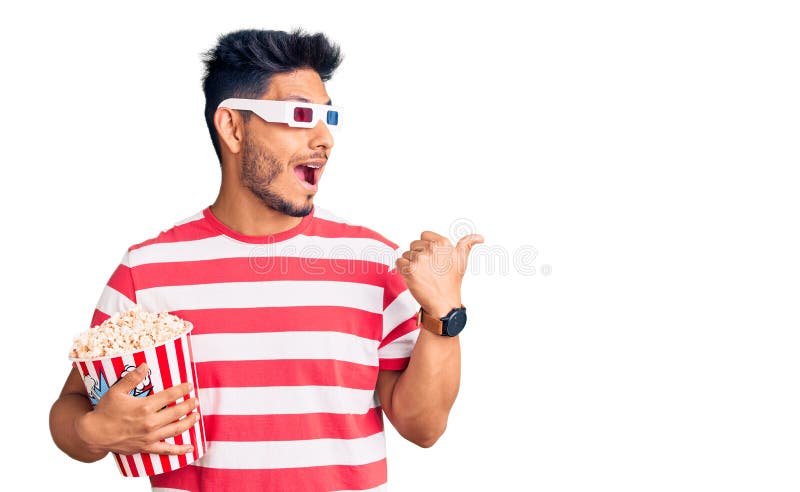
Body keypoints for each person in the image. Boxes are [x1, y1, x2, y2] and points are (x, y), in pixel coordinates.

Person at [49, 28, 483, 492]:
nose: (325, 139)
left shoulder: (374, 263)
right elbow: (71, 407)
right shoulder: (147, 270)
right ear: (233, 127)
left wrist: (443, 314)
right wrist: (94, 432)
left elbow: (423, 428)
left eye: (327, 116)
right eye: (300, 115)